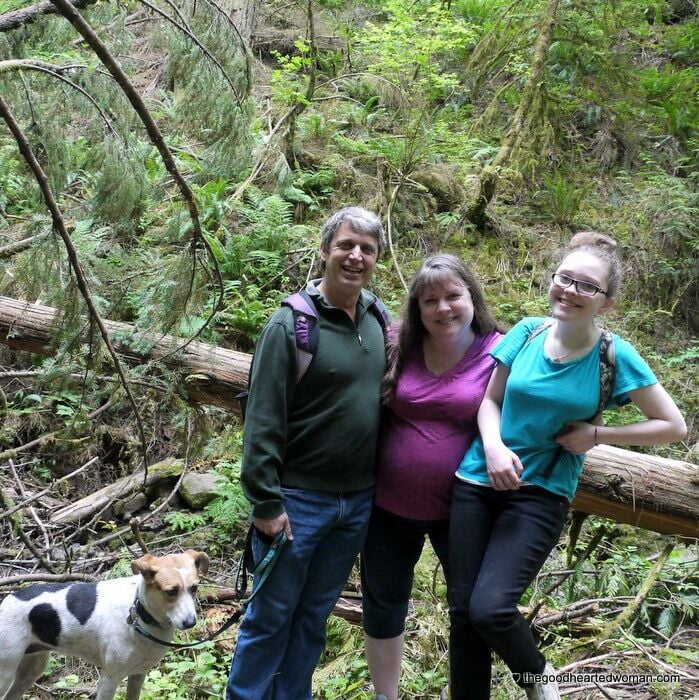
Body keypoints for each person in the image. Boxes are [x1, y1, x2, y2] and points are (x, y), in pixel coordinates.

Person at [448, 232, 687, 700]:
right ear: (552, 279)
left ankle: (541, 679)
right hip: (476, 481)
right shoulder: (527, 332)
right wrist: (493, 447)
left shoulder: (613, 356)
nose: (571, 291)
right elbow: (490, 401)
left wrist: (597, 435)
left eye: (587, 286)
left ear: (607, 302)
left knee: (491, 609)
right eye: (565, 278)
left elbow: (672, 425)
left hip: (542, 492)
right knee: (462, 614)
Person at [226, 207, 388, 700]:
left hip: (355, 504)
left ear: (376, 258)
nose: (355, 256)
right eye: (345, 245)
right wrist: (267, 504)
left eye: (367, 249)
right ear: (325, 250)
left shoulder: (378, 317)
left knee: (313, 619)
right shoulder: (291, 324)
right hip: (297, 503)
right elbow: (263, 421)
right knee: (270, 618)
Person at [361, 254, 503, 700]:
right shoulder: (397, 341)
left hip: (463, 508)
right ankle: (386, 695)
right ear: (416, 308)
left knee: (468, 610)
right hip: (388, 505)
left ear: (472, 298)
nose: (443, 308)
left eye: (453, 296)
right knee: (383, 604)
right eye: (430, 300)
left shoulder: (501, 349)